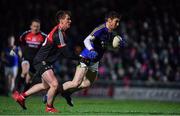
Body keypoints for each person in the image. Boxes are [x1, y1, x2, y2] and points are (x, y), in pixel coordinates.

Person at [12, 10, 78, 113]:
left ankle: (21, 97)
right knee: (54, 84)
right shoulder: (58, 33)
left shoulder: (60, 32)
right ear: (61, 20)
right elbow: (66, 53)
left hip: (44, 61)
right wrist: (81, 58)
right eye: (67, 19)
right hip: (42, 61)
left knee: (45, 86)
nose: (70, 21)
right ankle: (49, 108)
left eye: (70, 19)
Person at [61, 11, 124, 106]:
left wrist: (116, 47)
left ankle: (67, 93)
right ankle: (53, 91)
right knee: (76, 83)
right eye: (116, 21)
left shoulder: (111, 33)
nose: (118, 24)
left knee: (87, 83)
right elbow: (86, 40)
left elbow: (105, 46)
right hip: (87, 57)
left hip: (95, 61)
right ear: (110, 20)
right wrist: (91, 50)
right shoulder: (100, 29)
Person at [17, 19, 47, 92]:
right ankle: (17, 91)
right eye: (34, 26)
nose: (36, 28)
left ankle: (23, 94)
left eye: (37, 26)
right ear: (31, 26)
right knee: (24, 71)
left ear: (40, 27)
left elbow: (48, 48)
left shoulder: (43, 36)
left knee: (29, 80)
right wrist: (20, 52)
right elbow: (19, 43)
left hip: (36, 61)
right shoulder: (25, 34)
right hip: (26, 58)